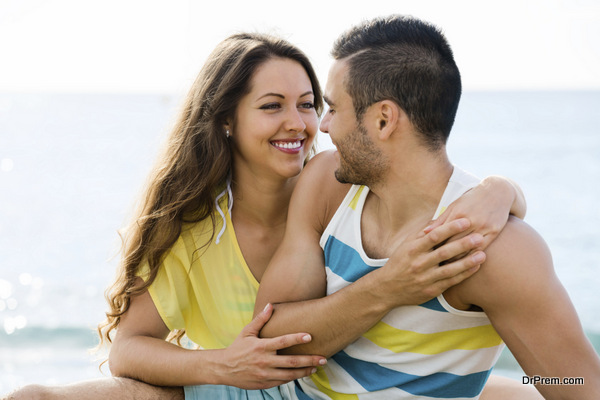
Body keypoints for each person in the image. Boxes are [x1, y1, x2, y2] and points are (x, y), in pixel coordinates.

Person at [4, 32, 527, 400]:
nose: (300, 124)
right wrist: (221, 364)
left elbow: (426, 183)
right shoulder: (197, 231)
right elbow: (128, 350)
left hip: (381, 385)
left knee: (547, 390)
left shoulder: (337, 185)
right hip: (251, 392)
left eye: (308, 104)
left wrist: (500, 189)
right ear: (227, 119)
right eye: (272, 105)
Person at [254, 15, 600, 400]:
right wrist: (388, 288)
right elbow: (268, 343)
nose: (323, 126)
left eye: (334, 108)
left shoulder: (491, 250)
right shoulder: (326, 183)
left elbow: (578, 387)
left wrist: (526, 387)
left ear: (384, 120)